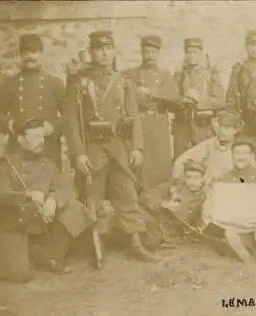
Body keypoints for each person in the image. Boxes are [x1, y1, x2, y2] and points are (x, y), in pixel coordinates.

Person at [63, 30, 158, 262]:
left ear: (114, 51)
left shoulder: (123, 80)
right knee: (93, 197)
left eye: (108, 48)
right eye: (98, 49)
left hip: (118, 146)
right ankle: (99, 242)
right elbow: (71, 120)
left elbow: (133, 115)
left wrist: (136, 147)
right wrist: (78, 153)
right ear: (92, 52)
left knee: (127, 193)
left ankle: (135, 242)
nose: (104, 53)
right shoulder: (79, 81)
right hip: (92, 147)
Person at [0, 118, 96, 282]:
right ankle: (29, 253)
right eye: (34, 137)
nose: (40, 141)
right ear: (21, 139)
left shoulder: (49, 165)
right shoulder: (6, 164)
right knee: (20, 275)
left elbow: (66, 189)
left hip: (41, 221)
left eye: (42, 137)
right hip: (14, 223)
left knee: (74, 208)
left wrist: (53, 201)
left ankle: (51, 256)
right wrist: (27, 196)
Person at [0, 34, 65, 167]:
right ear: (20, 55)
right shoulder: (10, 84)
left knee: (48, 185)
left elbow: (70, 115)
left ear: (41, 54)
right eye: (25, 52)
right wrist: (12, 126)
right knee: (19, 186)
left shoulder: (54, 83)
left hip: (48, 149)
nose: (30, 57)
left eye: (34, 52)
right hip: (19, 147)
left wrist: (52, 126)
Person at [202, 137, 256, 263]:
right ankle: (244, 256)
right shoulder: (224, 177)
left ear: (251, 156)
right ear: (232, 155)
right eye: (237, 153)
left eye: (245, 153)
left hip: (251, 220)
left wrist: (255, 217)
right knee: (230, 232)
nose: (241, 156)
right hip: (231, 221)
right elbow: (219, 202)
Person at [123, 35, 178, 188]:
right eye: (146, 52)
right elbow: (128, 96)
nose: (150, 56)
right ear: (141, 53)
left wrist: (150, 91)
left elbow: (173, 96)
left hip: (159, 124)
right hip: (140, 123)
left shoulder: (165, 74)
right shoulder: (131, 73)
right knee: (141, 164)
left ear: (158, 54)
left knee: (161, 163)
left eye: (153, 52)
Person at [173, 37, 225, 158]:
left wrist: (200, 101)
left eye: (195, 52)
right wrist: (182, 99)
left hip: (203, 128)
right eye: (188, 52)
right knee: (182, 162)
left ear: (201, 53)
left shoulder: (210, 75)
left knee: (204, 160)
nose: (191, 56)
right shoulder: (179, 75)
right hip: (183, 129)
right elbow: (171, 100)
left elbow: (221, 101)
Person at [139, 160, 207, 243]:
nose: (192, 182)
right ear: (184, 177)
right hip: (155, 222)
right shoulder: (176, 187)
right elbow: (146, 196)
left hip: (176, 233)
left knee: (152, 241)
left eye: (197, 177)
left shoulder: (207, 195)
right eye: (188, 177)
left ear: (204, 178)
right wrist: (163, 203)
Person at [172, 110, 244, 185]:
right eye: (221, 126)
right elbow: (179, 163)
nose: (222, 131)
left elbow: (247, 176)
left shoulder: (242, 148)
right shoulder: (208, 146)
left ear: (236, 130)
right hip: (209, 189)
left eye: (227, 127)